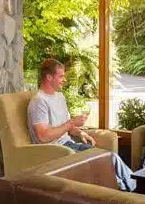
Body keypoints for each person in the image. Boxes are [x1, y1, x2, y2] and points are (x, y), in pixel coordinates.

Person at [27, 58, 135, 192]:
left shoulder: (60, 97)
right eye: (61, 76)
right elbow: (42, 136)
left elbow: (66, 127)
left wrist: (80, 132)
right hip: (55, 150)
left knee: (110, 158)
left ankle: (134, 188)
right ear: (49, 77)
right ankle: (136, 190)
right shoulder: (39, 101)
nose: (64, 79)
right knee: (108, 159)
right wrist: (71, 122)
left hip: (69, 144)